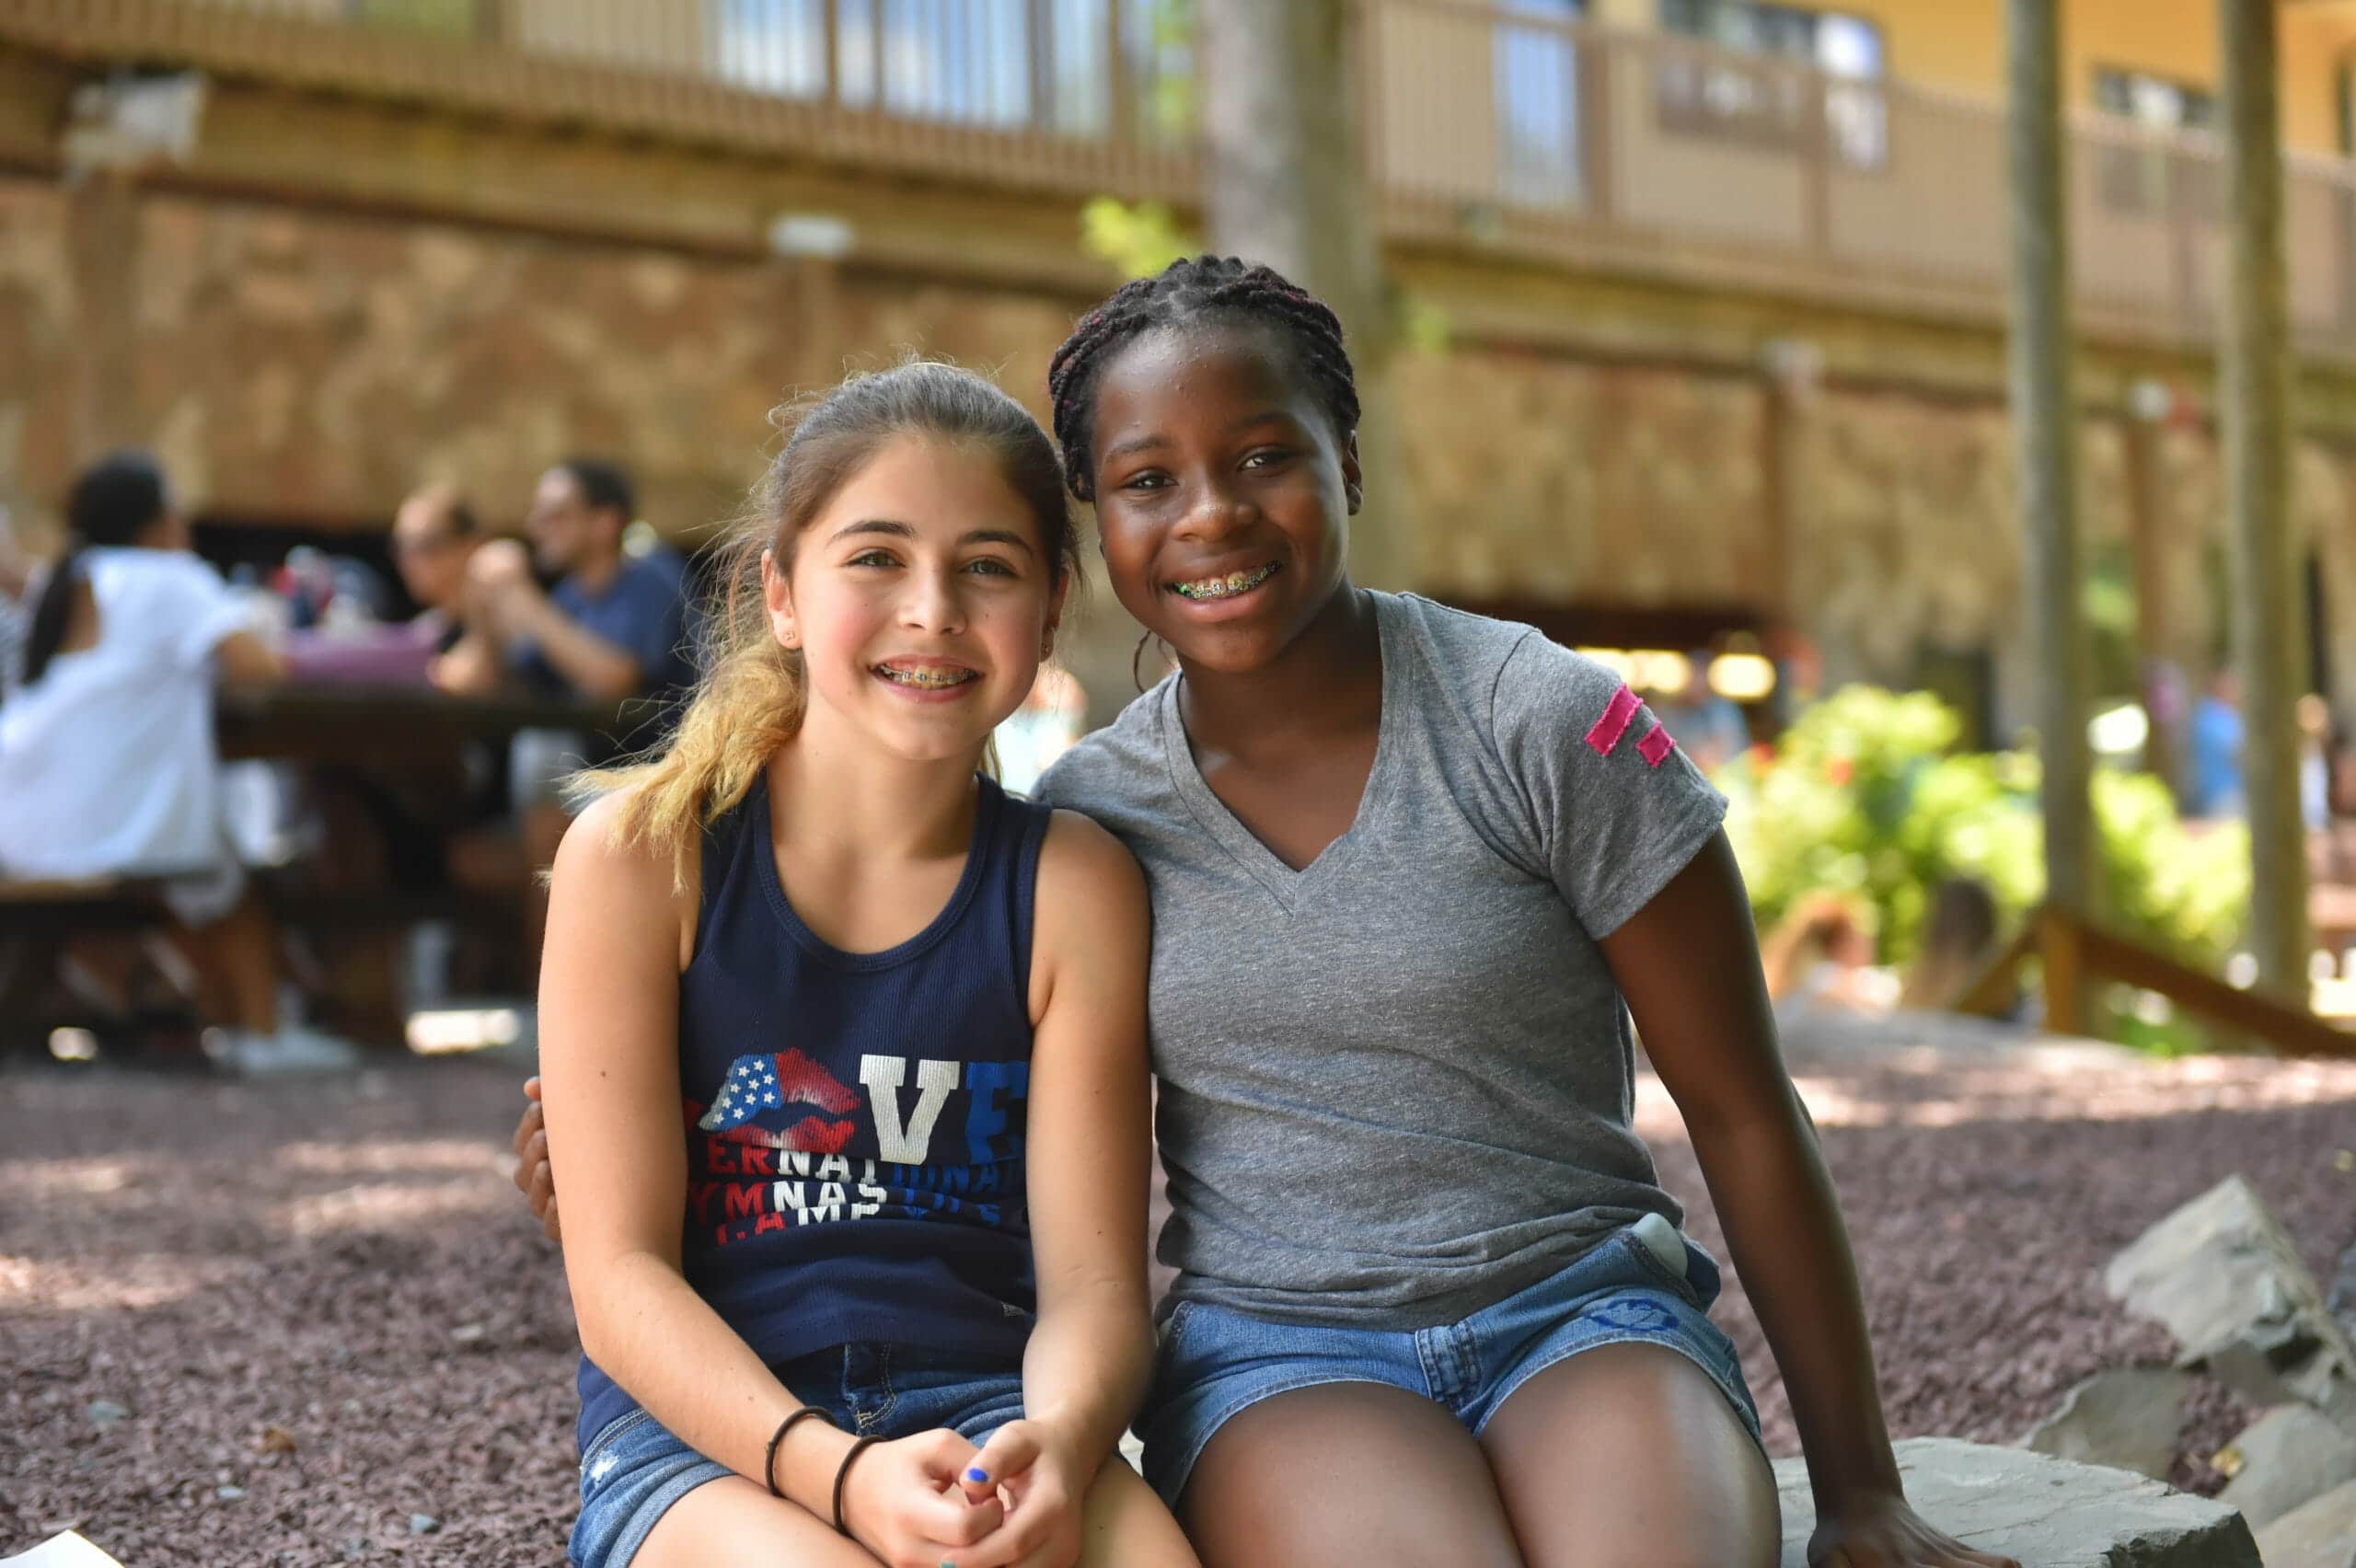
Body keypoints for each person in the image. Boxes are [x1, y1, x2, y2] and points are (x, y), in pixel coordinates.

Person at [521, 259, 2016, 1567]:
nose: (1214, 513)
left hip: (1575, 1305)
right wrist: (612, 1149)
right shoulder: (1096, 817)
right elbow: (773, 1122)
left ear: (1346, 464)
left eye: (1263, 456)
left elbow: (1747, 1110)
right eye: (1150, 480)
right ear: (1102, 533)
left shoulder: (1534, 723)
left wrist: (1862, 1488)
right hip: (1281, 1353)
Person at [537, 363, 1195, 1568]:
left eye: (988, 565)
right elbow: (619, 1277)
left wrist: (1056, 1442)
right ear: (779, 593)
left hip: (989, 1405)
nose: (933, 606)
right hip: (712, 1436)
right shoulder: (638, 863)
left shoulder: (1074, 888)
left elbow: (1094, 1287)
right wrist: (837, 1478)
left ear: (1049, 613)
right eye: (877, 557)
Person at [0, 452, 362, 1073]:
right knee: (227, 882)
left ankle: (234, 1025)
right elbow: (260, 666)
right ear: (157, 522)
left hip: (22, 811)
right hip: (97, 817)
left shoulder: (70, 578)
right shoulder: (166, 578)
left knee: (193, 877)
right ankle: (265, 1035)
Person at [438, 459, 693, 982]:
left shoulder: (649, 575)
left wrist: (522, 599)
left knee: (547, 824)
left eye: (555, 515)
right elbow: (473, 680)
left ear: (604, 522)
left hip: (657, 790)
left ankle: (552, 1005)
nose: (536, 527)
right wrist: (487, 606)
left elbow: (613, 676)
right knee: (470, 856)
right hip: (588, 792)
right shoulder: (572, 597)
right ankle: (542, 987)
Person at [389, 482, 483, 656]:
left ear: (471, 546)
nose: (411, 561)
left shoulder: (501, 627)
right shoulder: (426, 631)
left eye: (427, 545)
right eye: (402, 547)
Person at [1652, 650, 1750, 772]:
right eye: (1692, 674)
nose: (1695, 681)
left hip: (1720, 779)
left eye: (1699, 674)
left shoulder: (1724, 710)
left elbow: (1733, 748)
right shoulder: (1678, 710)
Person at [2184, 666, 2245, 819]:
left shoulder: (2223, 714)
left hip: (2226, 792)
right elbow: (2236, 751)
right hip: (2223, 794)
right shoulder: (2212, 716)